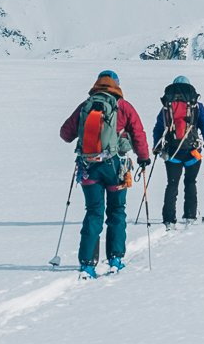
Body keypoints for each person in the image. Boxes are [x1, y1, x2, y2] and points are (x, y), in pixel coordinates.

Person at [59, 69, 150, 278]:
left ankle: (87, 263)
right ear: (117, 85)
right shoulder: (123, 106)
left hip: (88, 167)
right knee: (117, 210)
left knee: (93, 212)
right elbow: (138, 133)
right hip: (115, 167)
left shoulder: (85, 105)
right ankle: (115, 259)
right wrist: (143, 157)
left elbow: (65, 134)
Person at [153, 75, 204, 227]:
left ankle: (168, 219)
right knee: (190, 182)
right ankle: (190, 216)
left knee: (172, 184)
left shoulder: (167, 106)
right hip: (192, 151)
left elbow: (158, 128)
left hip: (172, 152)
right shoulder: (196, 106)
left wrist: (156, 146)